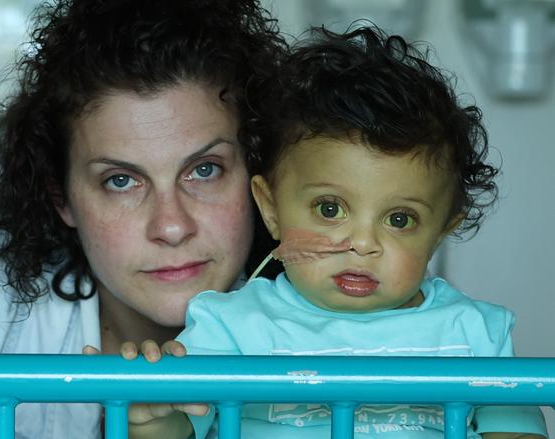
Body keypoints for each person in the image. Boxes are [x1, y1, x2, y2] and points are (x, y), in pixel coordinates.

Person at [0, 0, 285, 437]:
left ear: (258, 171)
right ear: (60, 195)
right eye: (121, 181)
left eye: (204, 170)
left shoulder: (357, 274)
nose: (171, 226)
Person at [171, 25, 549, 438]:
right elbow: (173, 429)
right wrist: (153, 416)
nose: (363, 244)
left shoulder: (476, 335)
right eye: (329, 209)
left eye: (400, 220)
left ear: (441, 231)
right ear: (271, 208)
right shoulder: (230, 328)